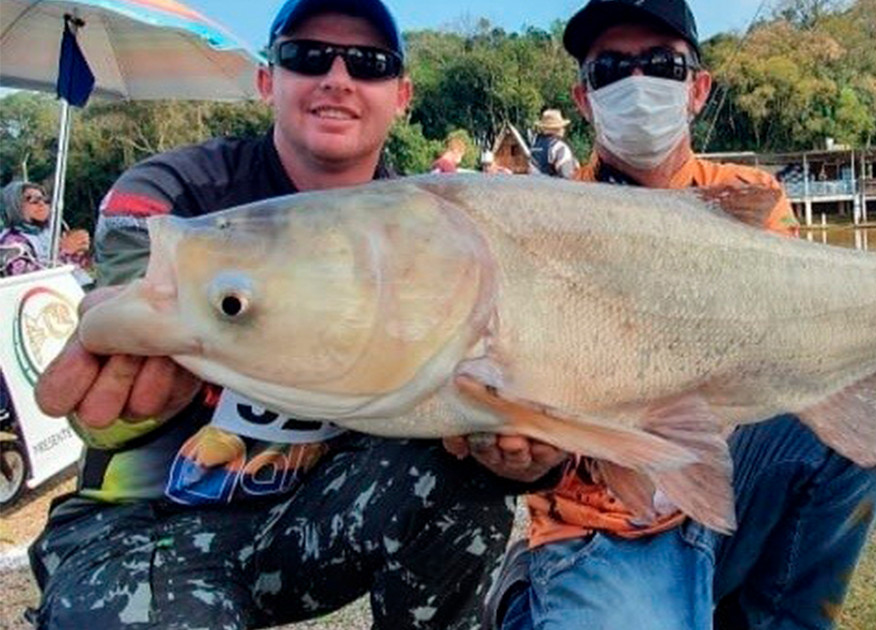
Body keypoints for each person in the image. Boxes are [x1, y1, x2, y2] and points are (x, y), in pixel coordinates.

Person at [475, 1, 876, 629]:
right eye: (610, 70)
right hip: (603, 524)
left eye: (659, 64)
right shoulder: (542, 221)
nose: (635, 82)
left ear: (698, 89)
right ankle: (526, 598)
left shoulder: (747, 198)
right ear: (584, 98)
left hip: (727, 485)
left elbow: (813, 306)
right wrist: (524, 450)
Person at [29, 1, 551, 628]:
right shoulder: (176, 196)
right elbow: (127, 319)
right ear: (267, 79)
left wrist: (523, 443)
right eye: (308, 56)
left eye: (369, 63)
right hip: (147, 520)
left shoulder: (424, 225)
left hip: (306, 520)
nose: (338, 77)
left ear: (402, 95)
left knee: (467, 477)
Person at [0, 181, 91, 277]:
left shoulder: (49, 233)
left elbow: (79, 267)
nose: (41, 204)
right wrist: (65, 251)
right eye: (33, 200)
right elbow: (26, 278)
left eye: (45, 200)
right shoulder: (11, 242)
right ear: (15, 206)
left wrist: (79, 252)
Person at [528, 109, 579, 178]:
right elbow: (566, 174)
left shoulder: (535, 145)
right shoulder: (560, 147)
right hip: (553, 187)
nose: (564, 129)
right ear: (558, 129)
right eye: (562, 127)